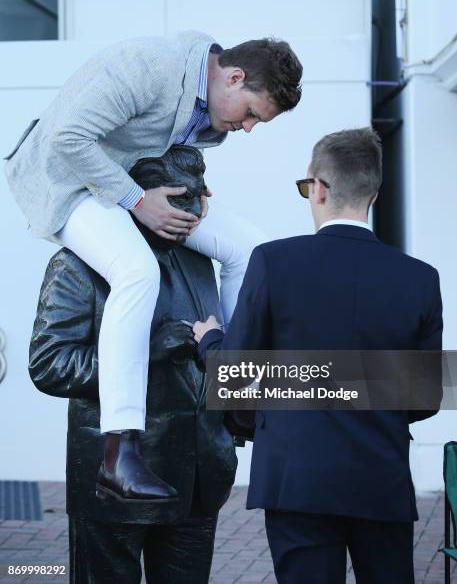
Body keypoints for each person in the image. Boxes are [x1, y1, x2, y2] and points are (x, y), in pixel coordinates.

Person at [3, 31, 302, 501]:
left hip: (132, 181)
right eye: (250, 115)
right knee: (135, 270)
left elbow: (156, 146)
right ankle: (118, 453)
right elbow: (68, 138)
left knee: (251, 249)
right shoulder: (148, 66)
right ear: (235, 77)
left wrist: (190, 191)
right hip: (66, 180)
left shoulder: (213, 101)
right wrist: (138, 201)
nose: (248, 129)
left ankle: (231, 386)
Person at [194, 128, 443, 584]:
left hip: (296, 475)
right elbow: (424, 397)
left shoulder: (273, 262)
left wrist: (210, 340)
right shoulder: (420, 278)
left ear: (320, 188)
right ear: (374, 193)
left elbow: (235, 379)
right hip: (380, 475)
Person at [29, 145, 238, 583]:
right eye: (179, 199)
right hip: (115, 485)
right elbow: (49, 364)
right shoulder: (78, 264)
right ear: (143, 198)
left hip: (199, 478)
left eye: (197, 199)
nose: (192, 213)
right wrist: (149, 350)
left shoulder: (199, 258)